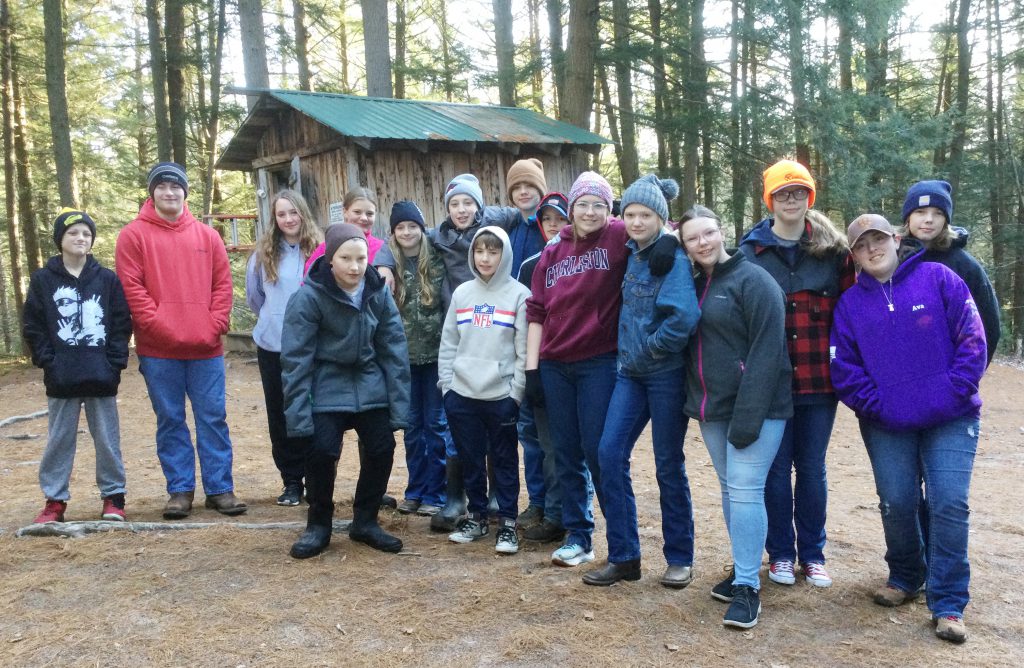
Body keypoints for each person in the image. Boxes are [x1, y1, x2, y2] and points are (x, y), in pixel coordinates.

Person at [830, 214, 986, 644]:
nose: (872, 249)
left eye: (878, 240)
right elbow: (844, 369)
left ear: (896, 239)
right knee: (896, 502)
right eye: (861, 246)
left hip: (952, 417)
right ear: (854, 256)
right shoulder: (850, 305)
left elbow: (973, 340)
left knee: (948, 503)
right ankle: (905, 574)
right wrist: (880, 405)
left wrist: (953, 391)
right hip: (887, 423)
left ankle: (949, 602)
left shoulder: (938, 277)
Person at [525, 171, 678, 568]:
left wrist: (670, 243)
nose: (590, 211)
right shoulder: (552, 253)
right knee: (565, 450)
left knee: (599, 451)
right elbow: (537, 311)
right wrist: (532, 369)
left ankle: (620, 539)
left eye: (598, 204)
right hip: (555, 364)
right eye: (582, 204)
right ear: (571, 209)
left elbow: (660, 226)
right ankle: (579, 535)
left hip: (599, 361)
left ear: (607, 209)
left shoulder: (616, 235)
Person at [739, 159, 854, 588]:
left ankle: (813, 554)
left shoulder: (834, 252)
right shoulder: (749, 252)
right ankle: (780, 555)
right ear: (769, 199)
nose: (792, 199)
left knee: (811, 468)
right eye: (783, 193)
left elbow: (853, 313)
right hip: (770, 384)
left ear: (810, 197)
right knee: (774, 468)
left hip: (819, 382)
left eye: (799, 192)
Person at [583, 175, 700, 588]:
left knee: (669, 465)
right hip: (629, 376)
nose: (635, 221)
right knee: (608, 454)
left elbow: (683, 319)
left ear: (660, 218)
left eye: (645, 215)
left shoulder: (674, 259)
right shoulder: (630, 253)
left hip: (664, 375)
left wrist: (649, 348)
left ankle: (680, 557)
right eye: (630, 213)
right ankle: (625, 556)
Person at [679, 205, 792, 629]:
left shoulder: (754, 281)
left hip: (758, 409)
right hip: (713, 409)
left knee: (745, 490)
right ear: (685, 245)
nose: (702, 243)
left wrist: (748, 419)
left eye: (708, 233)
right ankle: (743, 567)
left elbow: (768, 353)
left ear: (721, 232)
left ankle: (748, 588)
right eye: (692, 238)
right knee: (731, 490)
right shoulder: (694, 284)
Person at [116, 162, 247, 519]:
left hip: (205, 348)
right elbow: (133, 290)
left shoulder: (207, 236)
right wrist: (159, 325)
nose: (169, 192)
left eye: (176, 186)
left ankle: (220, 488)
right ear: (152, 192)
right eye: (162, 186)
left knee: (213, 417)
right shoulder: (133, 235)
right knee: (170, 419)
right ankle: (180, 490)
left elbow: (222, 286)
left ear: (185, 192)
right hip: (159, 350)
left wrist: (215, 323)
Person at [281, 223, 411, 559]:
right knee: (322, 449)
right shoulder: (309, 297)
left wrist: (398, 407)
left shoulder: (377, 291)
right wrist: (297, 416)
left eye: (361, 258)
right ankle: (318, 523)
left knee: (382, 446)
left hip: (368, 379)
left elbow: (393, 347)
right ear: (330, 259)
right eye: (346, 258)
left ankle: (365, 520)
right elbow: (296, 359)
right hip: (328, 381)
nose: (355, 266)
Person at [23, 209, 133, 523]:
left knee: (108, 440)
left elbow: (120, 323)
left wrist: (114, 365)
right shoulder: (44, 280)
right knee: (59, 440)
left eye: (86, 233)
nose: (80, 238)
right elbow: (34, 325)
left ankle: (113, 497)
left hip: (101, 376)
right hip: (61, 378)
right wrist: (49, 362)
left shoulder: (107, 279)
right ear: (61, 239)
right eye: (73, 233)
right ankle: (55, 501)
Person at [438, 226, 530, 554]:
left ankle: (507, 523)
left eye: (493, 251)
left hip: (500, 396)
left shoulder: (520, 295)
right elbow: (449, 342)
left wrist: (515, 394)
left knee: (504, 460)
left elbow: (522, 350)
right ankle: (476, 517)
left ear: (504, 254)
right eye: (480, 251)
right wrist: (447, 387)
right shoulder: (463, 294)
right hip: (462, 395)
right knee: (471, 459)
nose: (486, 258)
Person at [246, 190, 323, 507]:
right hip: (273, 345)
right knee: (280, 414)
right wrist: (274, 319)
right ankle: (291, 480)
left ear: (302, 213)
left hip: (312, 347)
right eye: (281, 214)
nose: (289, 219)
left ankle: (317, 476)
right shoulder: (264, 254)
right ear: (274, 219)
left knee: (313, 412)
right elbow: (255, 298)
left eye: (293, 212)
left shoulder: (319, 250)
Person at [387, 200, 452, 517]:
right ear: (394, 232)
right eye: (401, 227)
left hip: (437, 357)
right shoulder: (389, 265)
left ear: (422, 228)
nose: (407, 232)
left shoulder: (437, 259)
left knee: (435, 426)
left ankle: (436, 492)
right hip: (404, 361)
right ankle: (415, 490)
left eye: (413, 226)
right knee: (412, 428)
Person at [515, 192, 570, 544]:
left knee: (556, 444)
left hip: (563, 362)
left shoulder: (580, 259)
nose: (553, 224)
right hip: (533, 362)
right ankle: (537, 502)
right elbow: (524, 317)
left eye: (559, 218)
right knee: (530, 438)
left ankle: (557, 511)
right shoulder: (530, 264)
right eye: (546, 218)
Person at [900, 180, 1000, 364]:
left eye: (938, 213)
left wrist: (968, 375)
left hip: (951, 373)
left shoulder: (965, 266)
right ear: (908, 217)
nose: (929, 219)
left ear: (946, 220)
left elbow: (988, 325)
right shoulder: (893, 260)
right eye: (920, 211)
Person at [504, 158, 551, 533]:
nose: (524, 192)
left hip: (549, 340)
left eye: (530, 187)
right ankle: (536, 501)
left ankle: (555, 505)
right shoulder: (511, 228)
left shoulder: (551, 227)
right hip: (516, 339)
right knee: (528, 431)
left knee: (549, 430)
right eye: (518, 187)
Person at [303, 187, 385, 273]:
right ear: (345, 212)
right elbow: (309, 278)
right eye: (357, 212)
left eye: (369, 213)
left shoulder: (383, 249)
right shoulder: (327, 247)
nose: (364, 218)